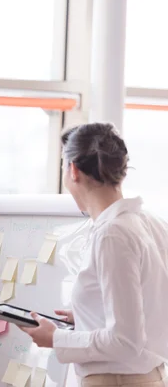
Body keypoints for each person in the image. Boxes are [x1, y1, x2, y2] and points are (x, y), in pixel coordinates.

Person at [20, 123, 168, 387]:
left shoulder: (112, 234)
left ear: (73, 170)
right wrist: (88, 314)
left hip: (117, 381)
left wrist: (57, 338)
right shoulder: (151, 222)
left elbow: (126, 341)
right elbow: (150, 310)